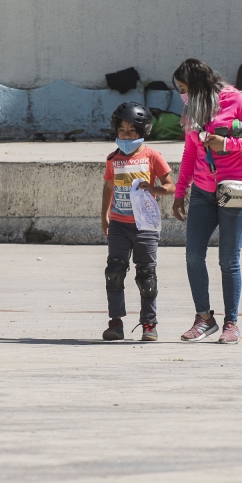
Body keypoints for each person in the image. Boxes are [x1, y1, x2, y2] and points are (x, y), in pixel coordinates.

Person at [171, 59, 242, 344]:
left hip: (236, 190)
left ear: (200, 85)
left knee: (228, 260)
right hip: (202, 192)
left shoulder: (236, 101)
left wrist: (227, 144)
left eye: (184, 89)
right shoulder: (193, 109)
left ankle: (231, 323)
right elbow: (190, 153)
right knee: (192, 256)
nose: (182, 96)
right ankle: (204, 318)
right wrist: (180, 192)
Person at [101, 103, 175, 342]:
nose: (126, 135)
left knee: (146, 276)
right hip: (119, 225)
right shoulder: (113, 158)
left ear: (143, 131)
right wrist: (104, 216)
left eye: (132, 130)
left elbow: (170, 187)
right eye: (121, 130)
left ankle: (149, 324)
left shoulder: (152, 155)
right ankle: (115, 322)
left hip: (145, 226)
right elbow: (109, 186)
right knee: (114, 271)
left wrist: (153, 188)